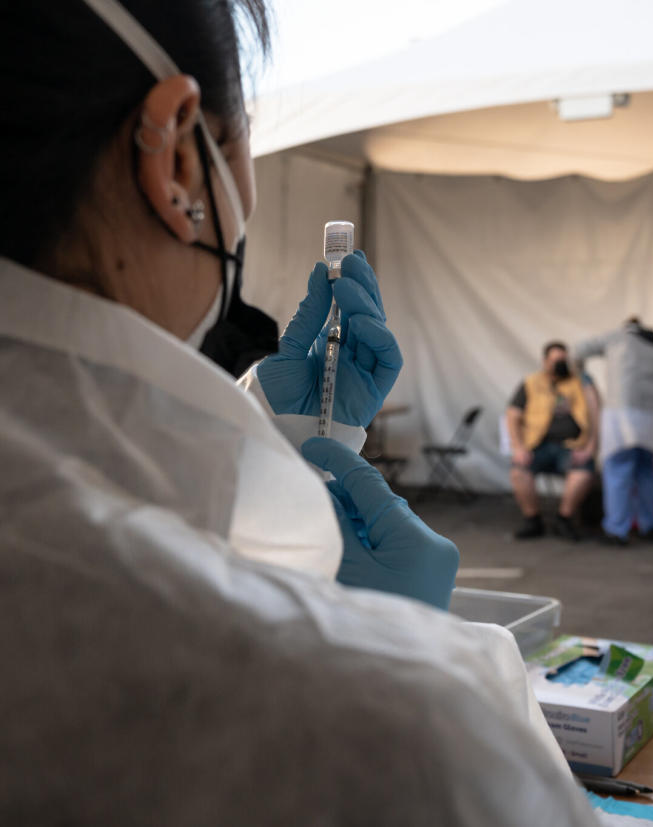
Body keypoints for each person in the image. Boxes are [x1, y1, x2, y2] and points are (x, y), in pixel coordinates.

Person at [0, 3, 598, 824]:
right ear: (175, 155)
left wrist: (278, 434)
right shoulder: (394, 728)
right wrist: (412, 641)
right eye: (239, 141)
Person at [575, 317, 653, 546]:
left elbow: (578, 350)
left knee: (618, 470)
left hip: (623, 418)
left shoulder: (619, 338)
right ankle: (650, 526)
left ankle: (617, 530)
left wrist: (581, 375)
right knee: (646, 472)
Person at [506, 341, 599, 541]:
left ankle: (563, 519)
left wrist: (590, 448)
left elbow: (595, 413)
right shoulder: (531, 382)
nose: (560, 365)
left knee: (583, 472)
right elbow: (512, 415)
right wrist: (519, 448)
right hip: (536, 446)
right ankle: (533, 520)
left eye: (563, 360)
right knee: (518, 471)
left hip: (571, 446)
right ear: (545, 361)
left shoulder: (580, 382)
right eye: (556, 361)